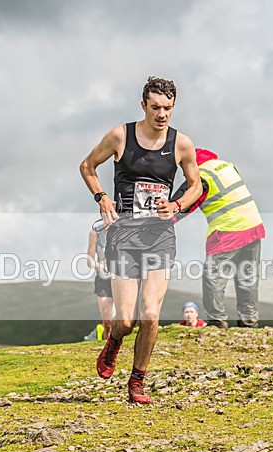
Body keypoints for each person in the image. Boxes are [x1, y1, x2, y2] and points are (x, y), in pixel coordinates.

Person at [79, 76, 202, 404]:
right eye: (156, 108)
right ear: (143, 106)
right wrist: (102, 197)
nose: (162, 115)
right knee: (126, 320)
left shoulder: (181, 144)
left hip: (160, 237)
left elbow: (196, 186)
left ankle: (137, 383)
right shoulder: (121, 135)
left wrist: (176, 205)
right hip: (124, 236)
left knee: (150, 313)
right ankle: (114, 341)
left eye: (168, 108)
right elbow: (87, 166)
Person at [177, 149, 265, 328]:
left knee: (213, 276)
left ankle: (217, 321)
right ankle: (249, 323)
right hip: (253, 225)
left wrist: (158, 221)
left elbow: (181, 204)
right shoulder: (226, 166)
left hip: (228, 229)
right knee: (246, 276)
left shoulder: (200, 175)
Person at [86, 224, 113, 340]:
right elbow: (90, 261)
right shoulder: (95, 232)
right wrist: (104, 267)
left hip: (123, 277)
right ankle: (105, 349)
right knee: (108, 322)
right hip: (104, 278)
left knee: (123, 322)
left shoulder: (125, 228)